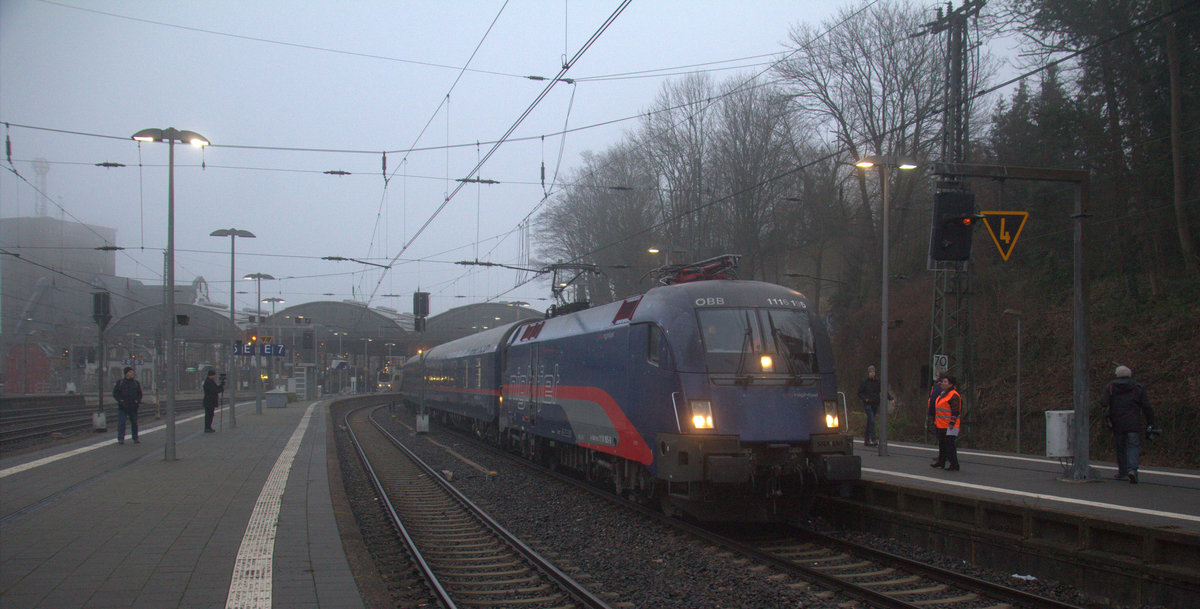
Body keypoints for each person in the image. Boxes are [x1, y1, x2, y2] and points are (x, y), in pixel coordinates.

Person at [1100, 365, 1154, 484]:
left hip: (1117, 422)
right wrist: (1150, 422)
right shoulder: (1138, 387)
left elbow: (1103, 402)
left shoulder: (1111, 386)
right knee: (1133, 446)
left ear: (1117, 374)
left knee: (1120, 447)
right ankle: (1132, 470)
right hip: (1133, 422)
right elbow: (1147, 406)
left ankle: (1122, 472)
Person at [929, 374, 962, 471]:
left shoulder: (953, 395)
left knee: (950, 445)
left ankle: (954, 464)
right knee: (942, 444)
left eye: (945, 382)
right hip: (941, 424)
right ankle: (941, 461)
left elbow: (955, 410)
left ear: (951, 384)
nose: (943, 383)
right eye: (943, 381)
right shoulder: (943, 393)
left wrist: (952, 423)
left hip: (950, 425)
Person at [112, 366, 143, 445]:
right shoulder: (120, 383)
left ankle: (135, 437)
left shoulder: (136, 383)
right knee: (121, 423)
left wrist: (137, 401)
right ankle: (121, 438)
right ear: (126, 373)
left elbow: (140, 394)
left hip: (133, 406)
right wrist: (120, 400)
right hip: (123, 406)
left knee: (134, 423)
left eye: (132, 372)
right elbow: (115, 393)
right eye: (130, 372)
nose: (132, 373)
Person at [857, 366, 882, 446]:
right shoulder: (865, 382)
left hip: (875, 403)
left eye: (873, 372)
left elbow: (883, 390)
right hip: (868, 404)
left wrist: (890, 398)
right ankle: (873, 438)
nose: (872, 373)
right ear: (868, 373)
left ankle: (866, 440)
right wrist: (865, 399)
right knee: (871, 420)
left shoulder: (877, 382)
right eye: (871, 372)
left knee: (869, 422)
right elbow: (859, 393)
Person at [202, 369, 224, 433]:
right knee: (209, 415)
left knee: (210, 415)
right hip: (209, 401)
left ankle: (208, 427)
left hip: (210, 401)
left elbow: (215, 388)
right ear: (210, 375)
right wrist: (220, 388)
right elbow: (214, 390)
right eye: (213, 375)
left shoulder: (210, 381)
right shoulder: (208, 382)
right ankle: (207, 428)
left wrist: (221, 386)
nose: (214, 376)